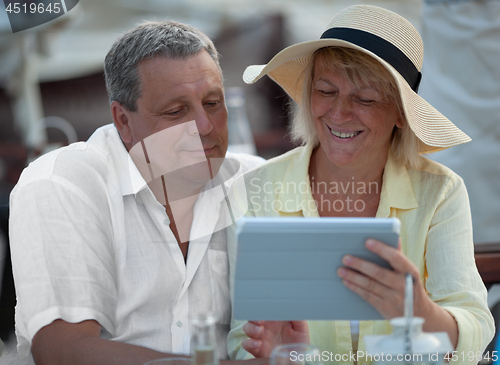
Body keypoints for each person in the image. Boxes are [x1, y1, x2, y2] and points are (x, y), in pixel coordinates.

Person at [227, 5, 494, 365]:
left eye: (365, 98)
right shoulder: (255, 190)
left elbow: (476, 335)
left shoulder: (441, 192)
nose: (339, 113)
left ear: (402, 113)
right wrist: (281, 356)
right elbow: (240, 341)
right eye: (325, 91)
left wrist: (419, 311)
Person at [9, 20, 264, 365]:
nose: (204, 127)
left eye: (213, 103)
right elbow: (62, 351)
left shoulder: (255, 180)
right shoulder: (64, 182)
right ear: (123, 122)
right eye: (177, 111)